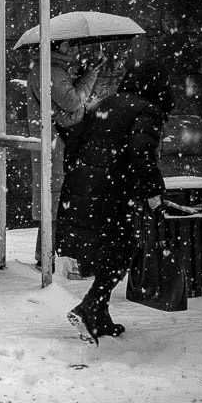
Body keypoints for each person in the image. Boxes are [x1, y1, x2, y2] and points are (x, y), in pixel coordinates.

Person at [56, 62, 174, 344]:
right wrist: (153, 189)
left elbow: (73, 138)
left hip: (89, 187)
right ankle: (89, 306)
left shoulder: (108, 102)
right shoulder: (146, 109)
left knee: (112, 248)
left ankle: (99, 315)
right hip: (114, 191)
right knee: (123, 248)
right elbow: (140, 151)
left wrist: (83, 174)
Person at [27, 39, 102, 265]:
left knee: (54, 198)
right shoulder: (50, 71)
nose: (72, 49)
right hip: (54, 144)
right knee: (56, 197)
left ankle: (47, 254)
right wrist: (90, 76)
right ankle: (51, 256)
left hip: (53, 142)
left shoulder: (50, 70)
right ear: (57, 46)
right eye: (68, 45)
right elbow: (71, 102)